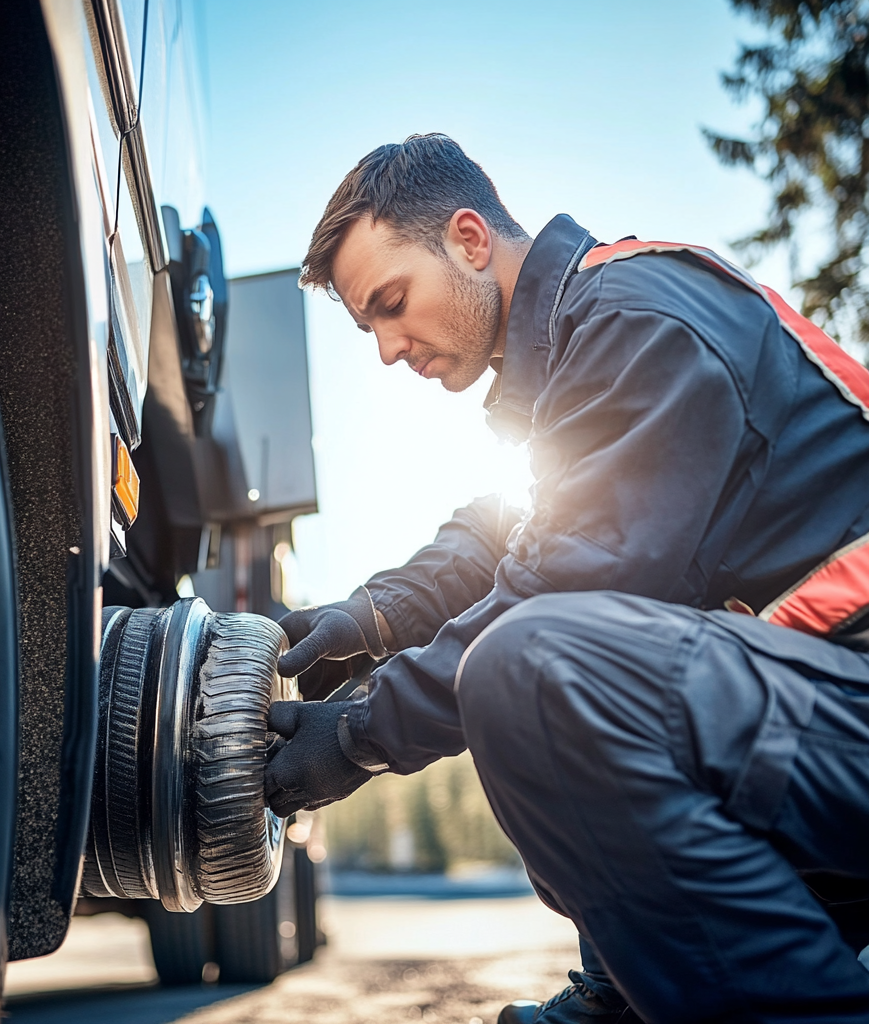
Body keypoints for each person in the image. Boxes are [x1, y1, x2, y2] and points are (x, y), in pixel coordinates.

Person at [263, 133, 869, 1024]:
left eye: (392, 305)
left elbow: (565, 580)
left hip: (845, 705)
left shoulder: (636, 318)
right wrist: (378, 614)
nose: (388, 350)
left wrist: (358, 731)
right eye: (368, 329)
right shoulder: (584, 351)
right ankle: (620, 999)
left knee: (535, 669)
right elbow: (512, 529)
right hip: (815, 718)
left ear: (470, 240)